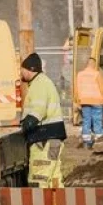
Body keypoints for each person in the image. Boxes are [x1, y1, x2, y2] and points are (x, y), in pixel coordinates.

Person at [20, 53, 66, 189]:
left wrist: (26, 125)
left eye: (22, 69)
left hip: (43, 139)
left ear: (31, 69)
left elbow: (38, 110)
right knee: (53, 177)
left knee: (39, 176)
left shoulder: (38, 84)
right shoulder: (44, 81)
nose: (20, 72)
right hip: (54, 138)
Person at [74, 57, 103, 148]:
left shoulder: (80, 74)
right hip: (97, 101)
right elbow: (102, 88)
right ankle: (99, 140)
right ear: (93, 64)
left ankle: (86, 142)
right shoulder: (96, 74)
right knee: (97, 120)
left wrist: (77, 101)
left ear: (86, 64)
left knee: (86, 120)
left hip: (85, 101)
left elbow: (76, 89)